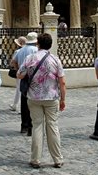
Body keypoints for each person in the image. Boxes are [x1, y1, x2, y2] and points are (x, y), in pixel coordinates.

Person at [17, 33, 66, 169]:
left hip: (34, 97)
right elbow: (62, 82)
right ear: (50, 45)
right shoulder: (55, 59)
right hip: (51, 98)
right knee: (53, 126)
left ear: (37, 43)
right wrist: (63, 99)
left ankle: (35, 159)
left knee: (37, 126)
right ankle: (58, 159)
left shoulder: (30, 58)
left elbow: (19, 75)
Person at [13, 32, 38, 135]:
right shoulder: (36, 50)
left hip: (23, 77)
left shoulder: (21, 50)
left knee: (24, 102)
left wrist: (18, 69)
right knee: (33, 102)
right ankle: (31, 126)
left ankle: (24, 126)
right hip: (34, 78)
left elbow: (13, 62)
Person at [9, 36, 27, 112]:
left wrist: (16, 68)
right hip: (28, 71)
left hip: (20, 71)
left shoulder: (18, 51)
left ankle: (18, 107)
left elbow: (13, 62)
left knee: (19, 89)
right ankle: (15, 105)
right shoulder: (28, 50)